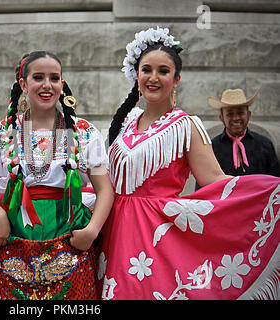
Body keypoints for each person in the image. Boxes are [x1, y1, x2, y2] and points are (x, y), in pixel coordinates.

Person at [99, 27, 280, 300]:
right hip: (112, 236)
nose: (153, 77)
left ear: (176, 79)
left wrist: (266, 191)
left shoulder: (186, 126)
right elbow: (107, 181)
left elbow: (216, 182)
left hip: (154, 240)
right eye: (146, 69)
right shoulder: (124, 123)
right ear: (136, 75)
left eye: (163, 71)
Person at [0, 51, 114, 300]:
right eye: (38, 77)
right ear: (24, 85)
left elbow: (105, 189)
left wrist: (92, 231)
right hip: (14, 235)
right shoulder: (4, 132)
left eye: (54, 78)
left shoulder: (84, 132)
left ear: (62, 85)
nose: (47, 85)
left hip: (69, 237)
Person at [207, 88, 280, 177]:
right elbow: (204, 187)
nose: (236, 118)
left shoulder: (265, 145)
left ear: (248, 115)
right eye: (230, 114)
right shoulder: (212, 149)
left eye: (240, 113)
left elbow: (276, 183)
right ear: (221, 118)